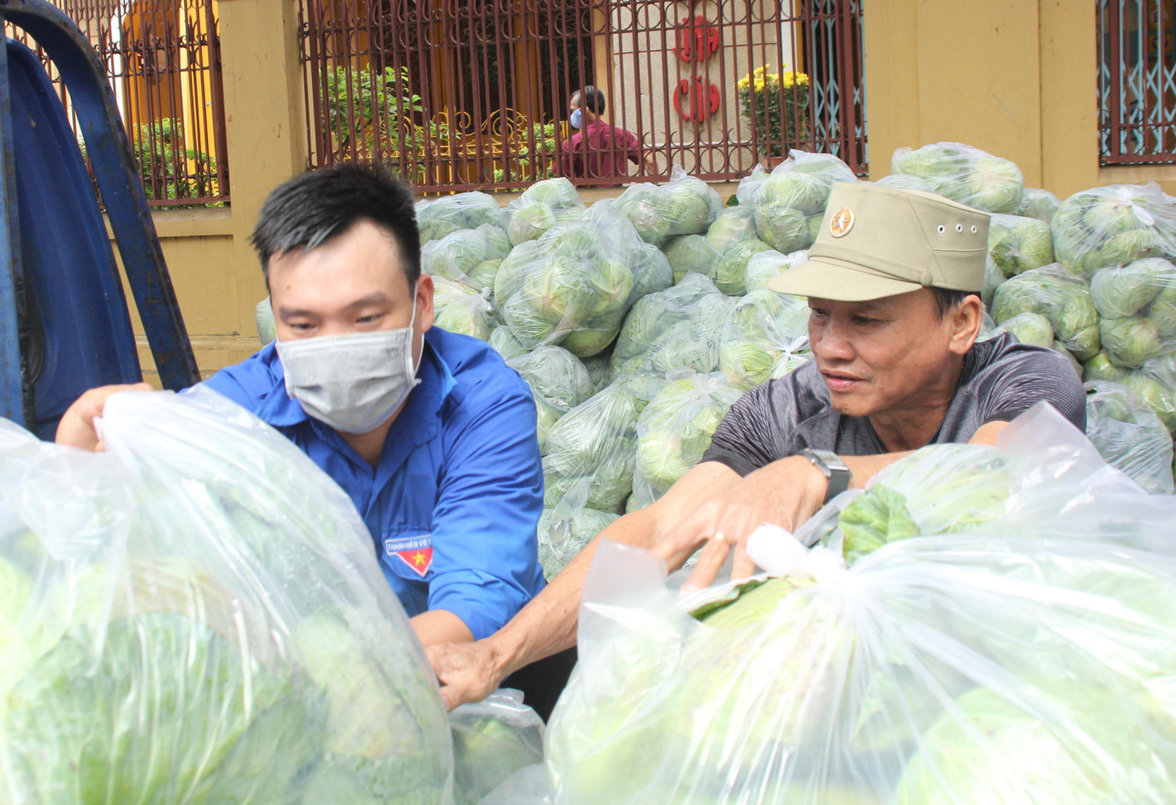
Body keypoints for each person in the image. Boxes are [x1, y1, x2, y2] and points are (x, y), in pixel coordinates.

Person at [427, 181, 1087, 709]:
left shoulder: (1024, 380)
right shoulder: (785, 408)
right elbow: (658, 530)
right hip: (857, 698)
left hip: (1010, 687)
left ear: (962, 321)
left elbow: (996, 473)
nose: (830, 345)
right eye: (820, 314)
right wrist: (496, 654)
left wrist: (815, 473)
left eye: (866, 319)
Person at [57, 163, 547, 652]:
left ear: (421, 303)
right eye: (304, 327)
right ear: (276, 319)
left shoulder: (482, 403)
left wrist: (327, 672)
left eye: (366, 317)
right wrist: (84, 469)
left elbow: (476, 604)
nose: (335, 348)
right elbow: (126, 559)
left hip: (472, 689)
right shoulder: (235, 413)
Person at [554, 85, 644, 180]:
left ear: (585, 110)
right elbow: (649, 159)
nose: (572, 115)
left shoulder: (574, 141)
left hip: (587, 193)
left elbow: (562, 176)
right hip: (617, 193)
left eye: (573, 110)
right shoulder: (622, 135)